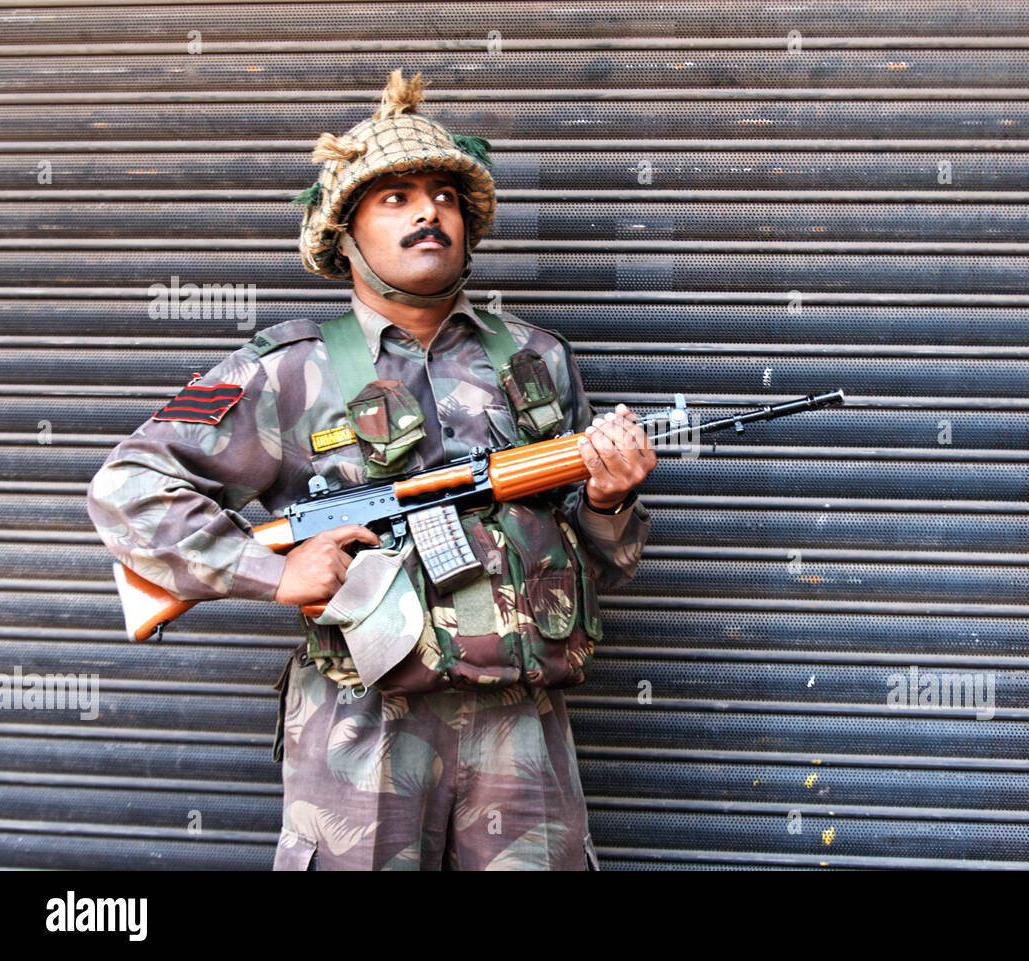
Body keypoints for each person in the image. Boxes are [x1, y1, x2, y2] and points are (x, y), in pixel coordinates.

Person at [86, 69, 656, 870]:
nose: (429, 211)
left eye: (444, 195)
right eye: (395, 198)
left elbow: (600, 555)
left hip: (522, 731)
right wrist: (268, 568)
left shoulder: (535, 358)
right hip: (363, 729)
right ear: (343, 232)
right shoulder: (288, 369)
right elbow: (128, 486)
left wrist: (609, 498)